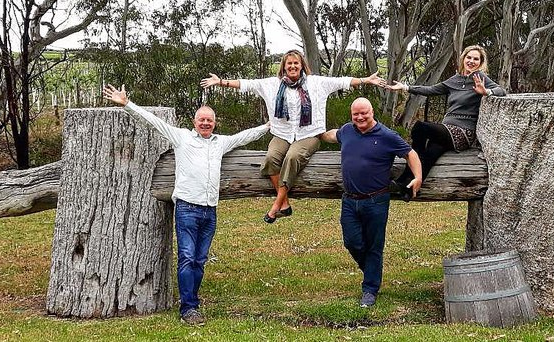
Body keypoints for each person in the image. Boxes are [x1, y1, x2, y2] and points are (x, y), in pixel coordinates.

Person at [102, 84, 269, 326]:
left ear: (214, 123)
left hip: (210, 210)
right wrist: (127, 104)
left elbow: (244, 136)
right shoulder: (181, 137)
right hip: (187, 208)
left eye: (209, 120)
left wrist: (268, 127)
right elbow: (153, 122)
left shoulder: (220, 143)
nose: (205, 123)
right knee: (187, 258)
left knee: (200, 260)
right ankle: (188, 308)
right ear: (194, 122)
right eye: (202, 120)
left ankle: (192, 300)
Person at [200, 49, 382, 223]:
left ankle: (277, 203)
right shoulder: (272, 84)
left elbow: (342, 82)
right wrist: (220, 82)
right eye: (289, 63)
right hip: (282, 133)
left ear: (302, 65)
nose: (293, 66)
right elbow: (246, 84)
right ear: (284, 66)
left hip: (309, 134)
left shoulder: (316, 83)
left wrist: (366, 80)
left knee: (292, 157)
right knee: (271, 158)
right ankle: (285, 203)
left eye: (296, 63)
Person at [320, 97, 422, 308]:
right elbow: (331, 135)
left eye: (364, 113)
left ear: (372, 112)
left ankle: (370, 290)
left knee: (374, 246)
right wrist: (315, 133)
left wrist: (418, 177)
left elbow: (410, 154)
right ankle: (371, 272)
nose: (360, 117)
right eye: (356, 114)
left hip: (376, 201)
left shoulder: (387, 136)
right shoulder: (347, 131)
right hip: (349, 200)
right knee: (352, 242)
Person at [384, 45, 505, 188]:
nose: (471, 61)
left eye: (476, 59)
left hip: (463, 132)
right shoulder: (455, 80)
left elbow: (501, 91)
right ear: (463, 59)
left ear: (480, 62)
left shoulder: (480, 78)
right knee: (430, 154)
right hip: (446, 129)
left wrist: (486, 92)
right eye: (469, 57)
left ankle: (407, 174)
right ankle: (407, 189)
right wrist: (406, 87)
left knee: (420, 127)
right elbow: (431, 90)